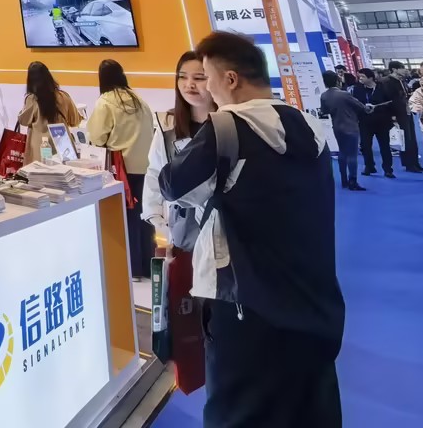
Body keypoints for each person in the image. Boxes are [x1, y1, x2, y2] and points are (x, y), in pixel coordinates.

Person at [160, 31, 343, 428]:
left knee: (238, 411)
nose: (205, 89)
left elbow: (174, 186)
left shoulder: (227, 126)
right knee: (312, 407)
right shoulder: (305, 124)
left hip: (245, 301)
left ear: (230, 79)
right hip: (313, 297)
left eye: (206, 78)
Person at [87, 58, 155, 279]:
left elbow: (97, 136)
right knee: (145, 217)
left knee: (126, 218)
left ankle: (132, 268)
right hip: (146, 166)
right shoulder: (139, 99)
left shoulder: (106, 101)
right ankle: (148, 264)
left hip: (122, 169)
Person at [142, 50, 214, 237]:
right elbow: (155, 171)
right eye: (182, 77)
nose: (189, 84)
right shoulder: (168, 124)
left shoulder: (227, 124)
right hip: (182, 227)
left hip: (221, 227)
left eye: (199, 78)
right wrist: (154, 214)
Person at [18, 60, 82, 164]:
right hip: (63, 146)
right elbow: (75, 120)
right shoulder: (63, 96)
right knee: (65, 172)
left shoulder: (32, 100)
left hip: (39, 148)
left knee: (42, 172)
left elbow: (23, 121)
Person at [320, 71, 372, 192]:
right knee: (352, 155)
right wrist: (368, 108)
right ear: (337, 81)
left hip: (337, 126)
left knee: (342, 152)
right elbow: (362, 107)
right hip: (350, 127)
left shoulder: (324, 95)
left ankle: (344, 180)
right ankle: (353, 181)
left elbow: (324, 111)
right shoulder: (344, 94)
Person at [383, 60, 423, 172]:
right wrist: (392, 115)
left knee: (412, 138)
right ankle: (409, 164)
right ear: (394, 69)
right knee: (405, 139)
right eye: (402, 68)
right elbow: (388, 99)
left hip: (407, 111)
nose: (405, 70)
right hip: (397, 114)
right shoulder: (387, 82)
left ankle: (415, 163)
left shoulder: (402, 80)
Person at [351, 69, 394, 177]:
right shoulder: (357, 89)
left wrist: (377, 108)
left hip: (382, 121)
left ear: (370, 78)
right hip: (365, 122)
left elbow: (391, 103)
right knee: (365, 145)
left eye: (363, 77)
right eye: (359, 77)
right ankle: (369, 166)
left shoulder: (382, 87)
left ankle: (388, 169)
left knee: (384, 146)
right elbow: (354, 103)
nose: (360, 79)